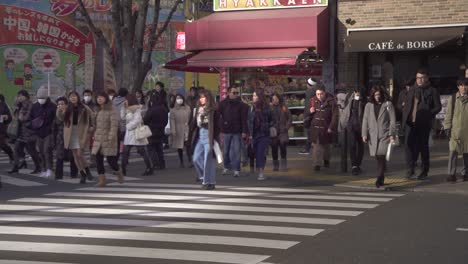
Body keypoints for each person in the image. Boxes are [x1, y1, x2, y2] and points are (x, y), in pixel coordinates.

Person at [402, 69, 441, 180]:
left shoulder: (432, 91)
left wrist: (428, 114)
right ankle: (410, 169)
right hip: (410, 123)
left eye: (422, 77)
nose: (420, 80)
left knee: (423, 147)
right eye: (418, 77)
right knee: (409, 146)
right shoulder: (411, 90)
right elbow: (404, 105)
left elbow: (438, 107)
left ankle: (424, 170)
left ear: (427, 78)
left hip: (424, 123)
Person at [56, 91, 95, 184]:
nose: (73, 98)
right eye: (71, 97)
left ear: (77, 97)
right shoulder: (67, 108)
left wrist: (92, 127)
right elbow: (61, 118)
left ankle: (87, 171)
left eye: (74, 96)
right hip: (70, 132)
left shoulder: (85, 108)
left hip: (81, 132)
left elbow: (92, 117)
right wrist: (59, 109)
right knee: (75, 156)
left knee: (80, 153)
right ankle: (82, 173)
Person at [362, 85, 396, 188]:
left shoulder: (387, 104)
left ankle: (379, 178)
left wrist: (392, 134)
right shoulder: (368, 105)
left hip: (384, 135)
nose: (377, 96)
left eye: (379, 94)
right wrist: (364, 134)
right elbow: (365, 120)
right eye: (375, 95)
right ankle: (382, 174)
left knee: (381, 155)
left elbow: (392, 120)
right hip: (373, 136)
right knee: (377, 157)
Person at [92, 91, 124, 187]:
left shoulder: (112, 110)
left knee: (111, 161)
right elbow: (95, 125)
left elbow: (114, 126)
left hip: (108, 139)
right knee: (98, 160)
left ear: (106, 98)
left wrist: (111, 137)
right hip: (98, 139)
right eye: (98, 97)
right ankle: (102, 180)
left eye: (101, 97)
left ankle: (118, 172)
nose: (99, 99)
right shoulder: (97, 110)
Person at [190, 89, 220, 189]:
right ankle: (204, 176)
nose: (202, 99)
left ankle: (209, 182)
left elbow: (214, 125)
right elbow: (194, 123)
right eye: (200, 97)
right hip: (200, 135)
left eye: (204, 97)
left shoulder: (212, 110)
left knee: (209, 159)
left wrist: (215, 139)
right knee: (196, 158)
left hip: (209, 135)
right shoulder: (198, 108)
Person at [8, 90, 42, 174]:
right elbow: (15, 117)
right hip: (20, 131)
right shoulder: (19, 105)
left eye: (20, 96)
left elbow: (26, 117)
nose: (19, 98)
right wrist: (16, 108)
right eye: (18, 96)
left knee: (31, 150)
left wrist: (20, 117)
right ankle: (16, 166)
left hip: (29, 132)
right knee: (16, 148)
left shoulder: (30, 105)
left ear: (25, 96)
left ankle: (38, 166)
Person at [218, 86, 248, 177]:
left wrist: (244, 131)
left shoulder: (241, 105)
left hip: (237, 131)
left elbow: (244, 119)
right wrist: (222, 125)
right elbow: (219, 116)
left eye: (237, 93)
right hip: (226, 130)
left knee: (237, 151)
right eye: (233, 93)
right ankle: (226, 167)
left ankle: (236, 169)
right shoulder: (223, 104)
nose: (235, 95)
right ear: (228, 93)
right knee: (225, 151)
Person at [121, 94, 153, 176]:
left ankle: (149, 168)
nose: (125, 102)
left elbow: (137, 120)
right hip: (129, 135)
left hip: (137, 133)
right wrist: (123, 108)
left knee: (142, 151)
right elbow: (122, 117)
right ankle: (122, 169)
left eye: (126, 100)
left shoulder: (137, 109)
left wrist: (128, 126)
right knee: (125, 152)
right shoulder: (127, 109)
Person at [443, 77, 468, 182]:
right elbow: (448, 115)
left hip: (467, 132)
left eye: (466, 85)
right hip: (455, 132)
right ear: (458, 87)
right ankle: (451, 174)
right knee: (453, 153)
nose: (464, 87)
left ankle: (465, 173)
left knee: (467, 154)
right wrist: (447, 127)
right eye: (461, 85)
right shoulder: (453, 99)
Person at [309, 85, 338, 171]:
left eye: (321, 94)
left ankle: (326, 160)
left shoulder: (331, 101)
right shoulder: (312, 100)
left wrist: (331, 127)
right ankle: (317, 164)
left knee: (326, 146)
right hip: (316, 128)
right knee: (316, 146)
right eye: (317, 94)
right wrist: (310, 111)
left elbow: (335, 115)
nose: (319, 96)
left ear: (324, 93)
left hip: (326, 127)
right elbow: (307, 114)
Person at [30, 85, 57, 178]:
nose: (41, 99)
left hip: (48, 132)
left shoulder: (53, 106)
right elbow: (31, 118)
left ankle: (50, 169)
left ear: (46, 97)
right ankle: (43, 169)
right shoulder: (34, 106)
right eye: (39, 98)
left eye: (43, 98)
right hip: (38, 132)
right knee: (40, 152)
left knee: (47, 151)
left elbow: (55, 119)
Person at [248, 88, 273, 180]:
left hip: (263, 134)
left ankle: (261, 173)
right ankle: (259, 171)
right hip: (254, 134)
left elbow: (271, 119)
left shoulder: (266, 108)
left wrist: (268, 126)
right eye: (253, 95)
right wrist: (249, 133)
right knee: (255, 152)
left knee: (261, 152)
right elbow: (249, 120)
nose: (253, 97)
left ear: (260, 97)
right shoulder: (251, 108)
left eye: (255, 96)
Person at [338, 88, 366, 175]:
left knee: (361, 147)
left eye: (358, 94)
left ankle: (357, 164)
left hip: (361, 127)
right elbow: (344, 111)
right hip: (351, 127)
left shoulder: (364, 103)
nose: (357, 95)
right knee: (352, 145)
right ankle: (354, 166)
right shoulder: (350, 101)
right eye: (355, 94)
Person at [54, 97, 78, 180]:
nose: (60, 106)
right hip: (60, 138)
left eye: (62, 104)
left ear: (66, 105)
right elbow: (55, 126)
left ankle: (74, 174)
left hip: (71, 136)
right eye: (59, 104)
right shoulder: (57, 114)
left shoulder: (71, 113)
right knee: (59, 156)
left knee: (72, 156)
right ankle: (58, 175)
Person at [144, 91, 169, 170]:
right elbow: (166, 120)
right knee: (159, 148)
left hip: (151, 130)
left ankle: (156, 163)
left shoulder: (151, 110)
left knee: (151, 148)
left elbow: (146, 120)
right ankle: (162, 163)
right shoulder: (164, 109)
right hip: (161, 130)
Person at [270, 93, 291, 171]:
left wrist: (286, 127)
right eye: (273, 99)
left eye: (276, 99)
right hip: (273, 132)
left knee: (283, 147)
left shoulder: (284, 106)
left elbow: (289, 118)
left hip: (283, 131)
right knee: (274, 148)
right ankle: (275, 165)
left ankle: (283, 165)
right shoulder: (270, 108)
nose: (275, 100)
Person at [170, 94, 191, 168]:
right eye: (177, 98)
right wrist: (173, 130)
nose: (179, 99)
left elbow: (190, 117)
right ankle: (181, 161)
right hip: (178, 128)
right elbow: (172, 121)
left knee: (188, 145)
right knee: (179, 147)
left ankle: (190, 160)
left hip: (186, 128)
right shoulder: (173, 110)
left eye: (180, 98)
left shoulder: (187, 108)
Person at [300, 78, 318, 155]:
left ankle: (308, 148)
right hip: (316, 114)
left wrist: (306, 115)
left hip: (310, 114)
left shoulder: (309, 92)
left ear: (308, 85)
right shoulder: (317, 91)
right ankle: (312, 147)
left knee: (310, 132)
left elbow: (308, 105)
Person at [0, 94, 14, 163]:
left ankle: (11, 154)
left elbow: (10, 117)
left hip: (1, 128)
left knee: (2, 144)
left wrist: (6, 117)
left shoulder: (3, 105)